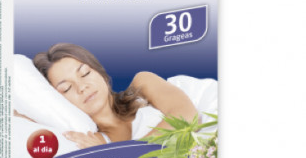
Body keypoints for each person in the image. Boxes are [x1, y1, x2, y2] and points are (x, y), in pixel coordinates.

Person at [32, 43, 198, 149]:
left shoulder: (142, 84)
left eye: (85, 73)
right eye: (67, 88)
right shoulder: (90, 142)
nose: (82, 87)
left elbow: (187, 117)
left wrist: (118, 155)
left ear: (100, 72)